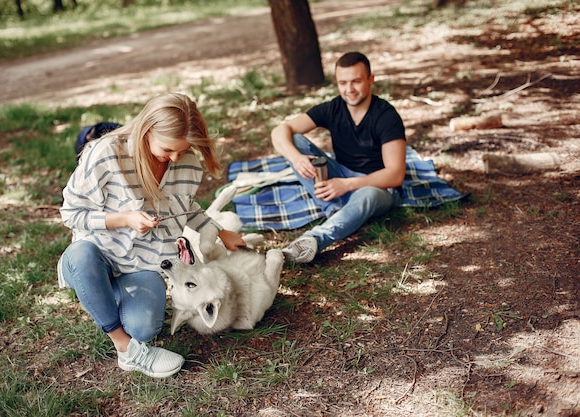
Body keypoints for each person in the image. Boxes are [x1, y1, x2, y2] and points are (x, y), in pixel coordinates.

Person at [57, 93, 246, 378]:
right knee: (80, 257)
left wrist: (220, 231)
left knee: (144, 328)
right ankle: (126, 349)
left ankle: (104, 295)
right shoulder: (106, 152)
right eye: (168, 149)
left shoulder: (187, 164)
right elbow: (71, 212)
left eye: (182, 150)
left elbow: (182, 208)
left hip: (141, 264)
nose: (175, 158)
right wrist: (124, 219)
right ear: (147, 131)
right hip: (96, 251)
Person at [271, 51, 406, 263]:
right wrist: (297, 158)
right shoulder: (334, 107)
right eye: (343, 82)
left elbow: (395, 175)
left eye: (356, 81)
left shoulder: (386, 116)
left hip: (378, 188)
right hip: (341, 178)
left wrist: (347, 185)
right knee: (294, 140)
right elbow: (280, 130)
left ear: (371, 80)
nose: (349, 89)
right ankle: (335, 209)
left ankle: (313, 240)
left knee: (367, 195)